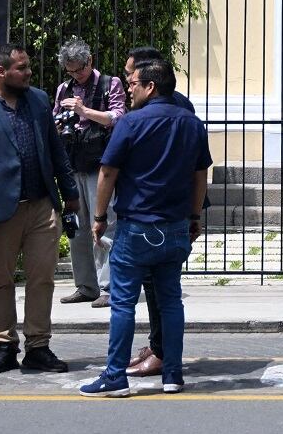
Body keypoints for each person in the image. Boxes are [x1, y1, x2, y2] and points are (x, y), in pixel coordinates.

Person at [77, 55, 212, 398]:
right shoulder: (192, 123)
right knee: (170, 302)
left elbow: (108, 172)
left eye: (134, 84)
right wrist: (194, 217)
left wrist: (98, 216)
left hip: (137, 227)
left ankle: (115, 376)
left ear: (151, 87)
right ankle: (173, 373)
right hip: (176, 227)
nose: (129, 89)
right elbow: (200, 175)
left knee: (123, 303)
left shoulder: (132, 123)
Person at [0, 43, 78, 376]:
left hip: (41, 206)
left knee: (43, 278)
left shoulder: (38, 100)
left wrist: (70, 193)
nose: (28, 73)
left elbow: (55, 149)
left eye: (27, 68)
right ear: (1, 71)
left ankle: (38, 346)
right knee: (0, 280)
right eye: (21, 68)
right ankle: (4, 346)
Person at [118, 45, 195, 380]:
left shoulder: (162, 113)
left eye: (131, 76)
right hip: (173, 210)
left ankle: (161, 352)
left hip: (158, 214)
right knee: (164, 291)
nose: (127, 83)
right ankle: (162, 354)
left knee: (155, 290)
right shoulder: (177, 109)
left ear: (150, 80)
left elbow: (113, 167)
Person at [54, 39, 127, 305]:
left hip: (101, 164)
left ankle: (108, 287)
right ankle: (85, 286)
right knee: (76, 227)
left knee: (105, 223)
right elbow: (56, 120)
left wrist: (84, 111)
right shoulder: (64, 89)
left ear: (90, 61)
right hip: (74, 162)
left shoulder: (111, 83)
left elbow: (119, 117)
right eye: (70, 71)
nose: (76, 76)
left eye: (79, 70)